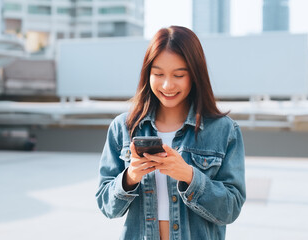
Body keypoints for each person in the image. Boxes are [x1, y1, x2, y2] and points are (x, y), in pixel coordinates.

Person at [96, 26, 246, 240]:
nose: (167, 85)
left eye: (178, 75)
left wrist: (189, 176)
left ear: (194, 75)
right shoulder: (123, 127)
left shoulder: (224, 130)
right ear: (147, 74)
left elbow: (231, 209)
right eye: (158, 74)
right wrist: (130, 177)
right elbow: (106, 205)